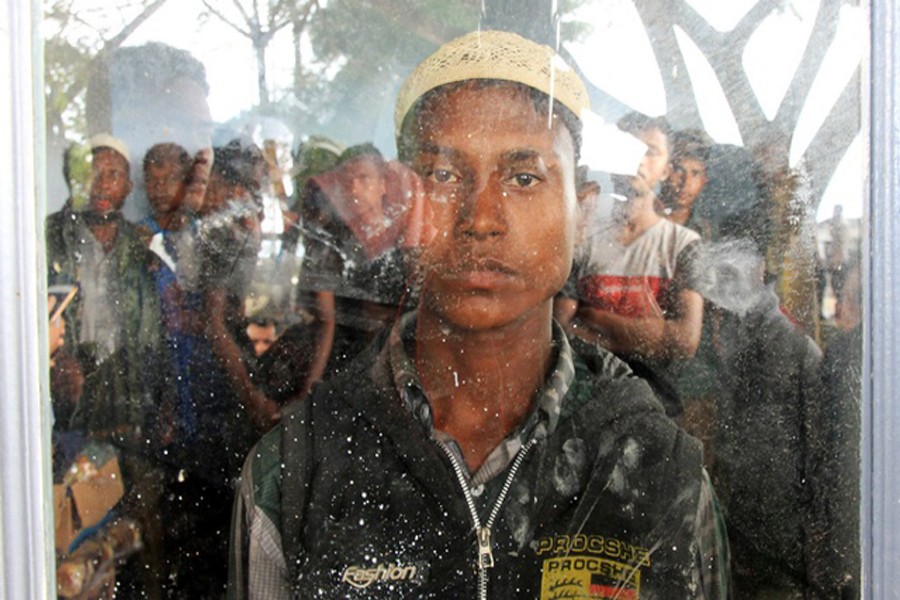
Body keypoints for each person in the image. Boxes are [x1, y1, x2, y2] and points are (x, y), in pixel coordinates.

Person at [229, 30, 728, 599]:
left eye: (523, 177)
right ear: (406, 205)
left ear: (580, 211)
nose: (481, 217)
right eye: (443, 175)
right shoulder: (297, 470)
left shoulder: (655, 467)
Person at [555, 113, 704, 415]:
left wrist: (595, 316)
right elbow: (560, 328)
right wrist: (649, 334)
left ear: (666, 169)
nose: (638, 158)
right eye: (629, 146)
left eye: (650, 151)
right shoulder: (583, 238)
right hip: (581, 404)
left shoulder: (683, 245)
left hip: (656, 410)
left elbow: (684, 341)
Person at [658, 128, 712, 230]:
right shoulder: (638, 220)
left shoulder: (707, 232)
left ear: (705, 179)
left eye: (695, 173)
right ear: (665, 171)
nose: (686, 183)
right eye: (678, 170)